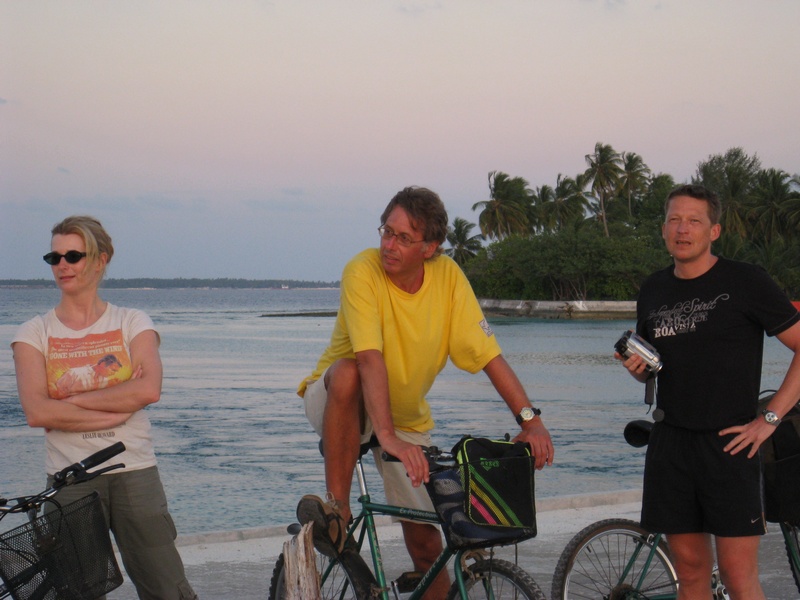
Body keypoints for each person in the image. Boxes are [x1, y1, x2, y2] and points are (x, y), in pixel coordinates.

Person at [296, 186, 554, 599]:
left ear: (430, 248)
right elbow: (369, 360)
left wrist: (532, 421)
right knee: (345, 373)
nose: (389, 245)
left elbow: (489, 355)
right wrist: (390, 439)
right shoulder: (361, 271)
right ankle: (337, 512)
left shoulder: (448, 277)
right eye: (386, 232)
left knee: (429, 546)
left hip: (403, 418)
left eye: (403, 238)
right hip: (337, 403)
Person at [616, 184, 800, 600]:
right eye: (674, 220)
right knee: (692, 572)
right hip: (671, 443)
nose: (683, 229)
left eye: (694, 221)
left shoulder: (746, 280)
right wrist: (637, 370)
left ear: (714, 231)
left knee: (738, 576)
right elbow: (653, 371)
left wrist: (768, 421)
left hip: (730, 445)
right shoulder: (654, 289)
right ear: (663, 229)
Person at [12, 216, 197, 600]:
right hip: (69, 482)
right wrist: (116, 404)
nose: (62, 265)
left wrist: (69, 400)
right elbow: (37, 412)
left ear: (100, 260)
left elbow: (148, 390)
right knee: (78, 592)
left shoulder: (132, 322)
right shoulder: (33, 333)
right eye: (54, 256)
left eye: (73, 255)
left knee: (167, 588)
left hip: (135, 472)